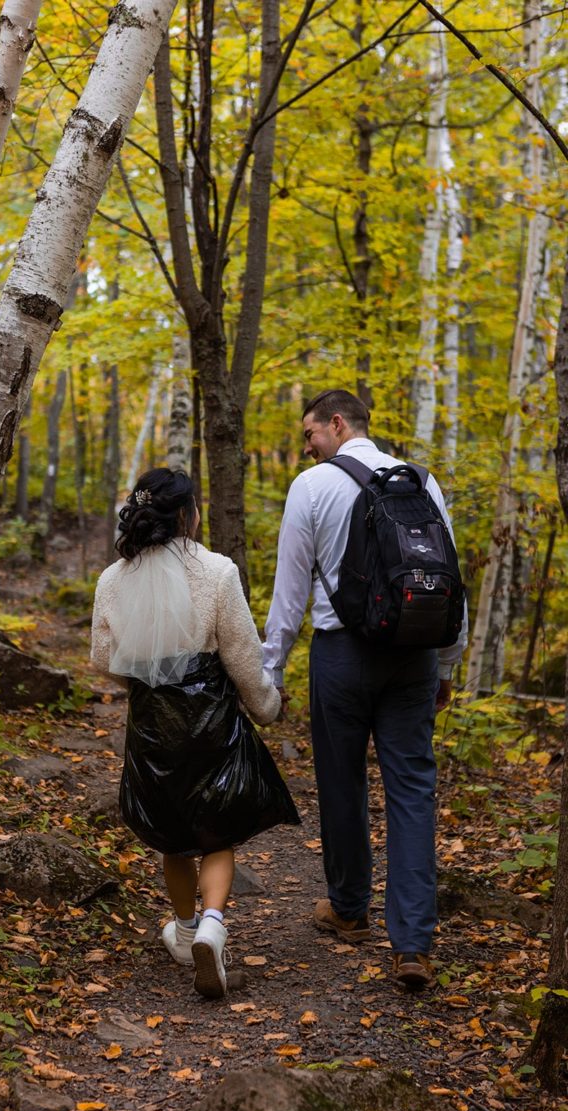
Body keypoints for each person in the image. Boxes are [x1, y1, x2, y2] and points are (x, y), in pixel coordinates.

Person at [262, 389, 466, 990]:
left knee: (341, 781)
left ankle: (349, 910)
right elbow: (448, 577)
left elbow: (290, 593)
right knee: (412, 792)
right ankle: (413, 945)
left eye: (310, 434)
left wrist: (270, 673)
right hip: (414, 655)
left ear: (337, 423)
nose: (307, 446)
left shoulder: (312, 487)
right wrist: (448, 665)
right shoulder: (420, 482)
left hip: (342, 655)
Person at [91, 467, 300, 1000]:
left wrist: (147, 681)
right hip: (210, 720)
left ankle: (184, 933)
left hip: (153, 725)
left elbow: (101, 658)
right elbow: (243, 658)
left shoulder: (112, 580)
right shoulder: (219, 571)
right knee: (216, 831)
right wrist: (266, 707)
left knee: (171, 830)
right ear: (186, 514)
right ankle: (212, 924)